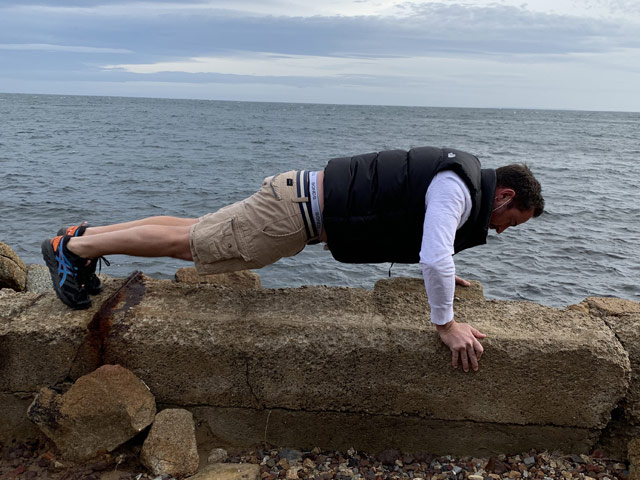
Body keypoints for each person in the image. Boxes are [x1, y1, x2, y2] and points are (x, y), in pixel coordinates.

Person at [42, 146, 544, 372]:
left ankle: (80, 236)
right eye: (511, 221)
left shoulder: (457, 177)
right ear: (502, 197)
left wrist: (444, 273)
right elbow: (435, 256)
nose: (501, 230)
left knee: (193, 231)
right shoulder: (457, 191)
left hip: (296, 200)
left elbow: (419, 234)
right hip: (294, 216)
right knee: (191, 244)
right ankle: (75, 249)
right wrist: (445, 324)